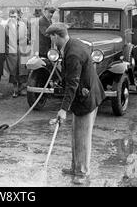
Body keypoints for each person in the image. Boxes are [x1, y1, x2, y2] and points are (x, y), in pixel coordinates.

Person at [46, 22, 106, 185]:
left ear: (56, 36)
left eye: (51, 37)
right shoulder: (73, 44)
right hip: (85, 94)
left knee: (82, 136)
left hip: (87, 98)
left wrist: (63, 110)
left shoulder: (72, 53)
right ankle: (75, 167)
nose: (51, 41)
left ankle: (81, 172)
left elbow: (73, 84)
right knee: (76, 134)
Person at [5, 9, 29, 97]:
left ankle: (22, 88)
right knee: (13, 70)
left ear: (18, 16)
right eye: (11, 17)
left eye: (14, 16)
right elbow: (5, 39)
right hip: (12, 50)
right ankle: (15, 90)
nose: (12, 18)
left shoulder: (23, 25)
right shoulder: (7, 26)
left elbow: (26, 36)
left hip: (22, 49)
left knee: (22, 69)